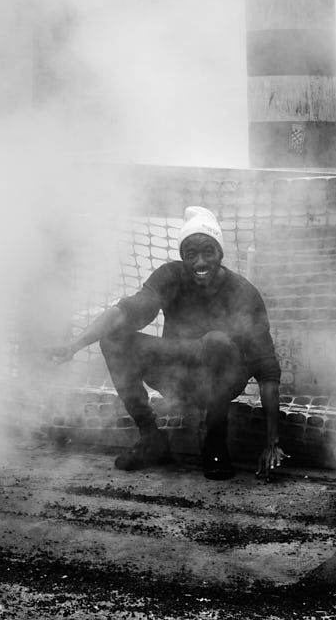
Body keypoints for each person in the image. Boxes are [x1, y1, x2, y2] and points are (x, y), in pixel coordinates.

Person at [49, 206, 286, 482]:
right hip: (175, 375)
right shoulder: (170, 277)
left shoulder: (243, 293)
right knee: (114, 338)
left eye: (208, 252)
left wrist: (272, 442)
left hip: (221, 377)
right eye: (191, 254)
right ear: (182, 256)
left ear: (220, 254)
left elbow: (267, 371)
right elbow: (125, 312)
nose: (199, 262)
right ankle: (151, 437)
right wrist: (74, 346)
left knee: (217, 342)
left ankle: (215, 443)